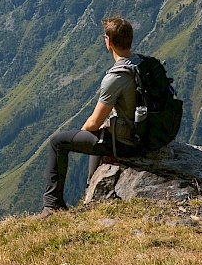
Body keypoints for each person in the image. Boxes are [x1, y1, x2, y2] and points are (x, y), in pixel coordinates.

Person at [39, 16, 139, 216]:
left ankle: (52, 204)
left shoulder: (116, 77)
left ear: (109, 42)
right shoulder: (142, 63)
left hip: (128, 141)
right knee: (101, 134)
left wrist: (84, 135)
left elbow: (94, 122)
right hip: (146, 133)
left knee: (58, 142)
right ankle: (91, 192)